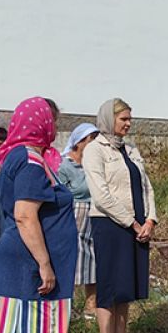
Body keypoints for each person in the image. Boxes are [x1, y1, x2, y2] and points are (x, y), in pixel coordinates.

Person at [0, 97, 78, 333]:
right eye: (51, 119)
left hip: (36, 260)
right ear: (40, 122)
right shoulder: (27, 160)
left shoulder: (33, 157)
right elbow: (25, 216)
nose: (54, 126)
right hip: (26, 261)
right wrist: (44, 262)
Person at [83, 98, 157, 333]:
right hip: (111, 225)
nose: (128, 123)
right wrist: (132, 223)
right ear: (108, 119)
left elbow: (146, 185)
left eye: (129, 118)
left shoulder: (131, 148)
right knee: (110, 288)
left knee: (126, 289)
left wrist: (150, 219)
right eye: (123, 119)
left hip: (137, 225)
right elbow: (101, 195)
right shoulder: (95, 150)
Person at [57, 123, 101, 316]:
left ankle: (91, 304)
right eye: (91, 140)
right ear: (80, 142)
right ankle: (69, 306)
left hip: (95, 213)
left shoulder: (95, 164)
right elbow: (61, 194)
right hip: (74, 214)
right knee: (74, 258)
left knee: (94, 258)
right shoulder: (66, 166)